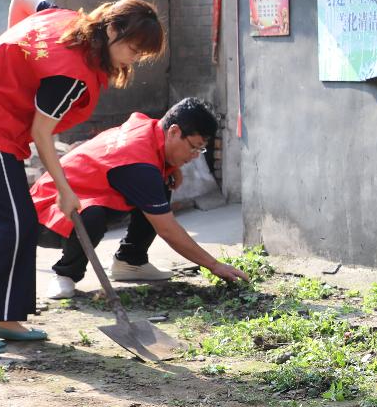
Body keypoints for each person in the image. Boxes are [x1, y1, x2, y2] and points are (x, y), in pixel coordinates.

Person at [0, 0, 166, 353]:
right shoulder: (69, 76)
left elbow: (20, 0)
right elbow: (42, 134)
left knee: (14, 222)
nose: (134, 60)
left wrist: (13, 62)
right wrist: (65, 190)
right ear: (112, 31)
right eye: (134, 50)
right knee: (9, 226)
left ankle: (1, 315)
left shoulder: (65, 18)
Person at [32, 98, 247, 296]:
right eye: (193, 148)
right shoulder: (138, 162)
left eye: (199, 151)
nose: (193, 157)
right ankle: (65, 274)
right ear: (173, 132)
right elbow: (167, 229)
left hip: (89, 196)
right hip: (48, 212)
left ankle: (130, 261)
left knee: (161, 183)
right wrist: (214, 265)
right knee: (92, 214)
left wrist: (172, 167)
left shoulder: (150, 130)